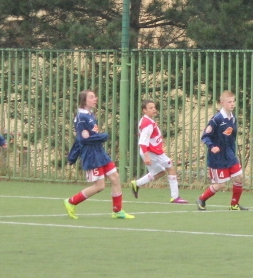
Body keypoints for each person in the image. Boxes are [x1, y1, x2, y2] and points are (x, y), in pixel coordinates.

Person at [64, 90, 134, 219]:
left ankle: (117, 211)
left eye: (95, 96)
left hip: (99, 152)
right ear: (84, 101)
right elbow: (83, 139)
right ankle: (71, 201)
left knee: (115, 177)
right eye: (91, 97)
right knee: (99, 186)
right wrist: (102, 137)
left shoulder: (90, 115)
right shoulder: (81, 117)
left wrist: (99, 138)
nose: (95, 99)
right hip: (91, 155)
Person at [128, 99, 189, 204]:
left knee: (160, 172)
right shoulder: (148, 123)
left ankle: (137, 184)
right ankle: (175, 197)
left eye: (154, 107)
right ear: (144, 110)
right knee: (171, 168)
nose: (154, 110)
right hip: (152, 152)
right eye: (150, 108)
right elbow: (143, 141)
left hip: (151, 151)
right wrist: (147, 156)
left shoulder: (145, 120)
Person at [198, 90, 247, 210]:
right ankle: (202, 198)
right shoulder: (216, 119)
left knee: (239, 177)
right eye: (229, 102)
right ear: (222, 103)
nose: (232, 104)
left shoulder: (233, 118)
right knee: (220, 185)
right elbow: (205, 136)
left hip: (229, 155)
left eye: (233, 101)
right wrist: (212, 146)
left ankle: (234, 204)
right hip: (217, 158)